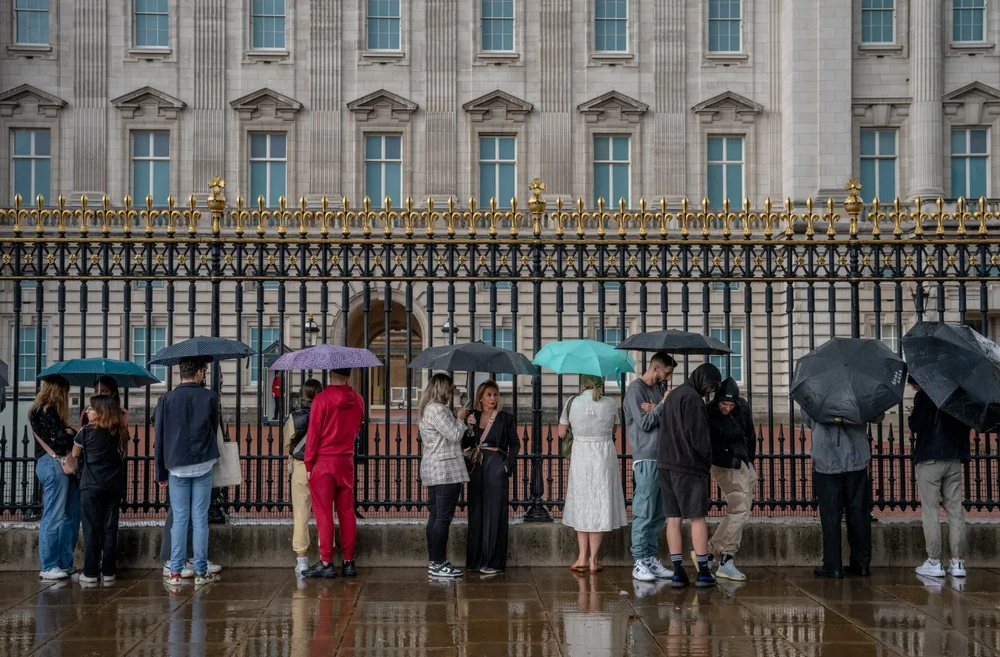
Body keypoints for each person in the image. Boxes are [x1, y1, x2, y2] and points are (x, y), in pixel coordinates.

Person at [155, 357, 221, 586]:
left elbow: (160, 437)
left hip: (176, 464)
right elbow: (213, 429)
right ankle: (201, 571)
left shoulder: (166, 399)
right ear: (199, 373)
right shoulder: (210, 397)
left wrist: (160, 472)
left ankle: (175, 571)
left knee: (180, 519)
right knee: (200, 518)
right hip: (203, 461)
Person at [658, 362, 722, 588]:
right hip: (688, 465)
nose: (710, 391)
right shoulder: (693, 399)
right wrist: (707, 459)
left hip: (665, 462)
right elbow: (699, 437)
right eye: (711, 387)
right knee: (697, 517)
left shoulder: (673, 395)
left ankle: (677, 571)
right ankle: (703, 571)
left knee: (673, 518)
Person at [560, 375, 628, 573]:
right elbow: (613, 430)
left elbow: (562, 433)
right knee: (600, 504)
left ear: (583, 383)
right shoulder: (610, 403)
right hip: (603, 455)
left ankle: (581, 556)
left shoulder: (572, 402)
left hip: (581, 456)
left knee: (582, 504)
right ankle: (593, 559)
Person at [805, 409, 883, 579]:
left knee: (830, 516)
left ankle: (832, 565)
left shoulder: (818, 392)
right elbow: (877, 415)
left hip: (826, 458)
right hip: (856, 458)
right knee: (859, 513)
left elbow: (808, 418)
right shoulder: (859, 393)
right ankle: (861, 564)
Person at [908, 376, 972, 578]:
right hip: (954, 456)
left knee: (931, 511)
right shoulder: (959, 395)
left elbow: (916, 424)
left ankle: (934, 561)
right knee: (955, 510)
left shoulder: (924, 395)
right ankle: (957, 561)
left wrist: (912, 415)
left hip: (930, 458)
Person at [302, 369, 364, 579]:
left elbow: (313, 435)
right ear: (349, 375)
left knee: (324, 513)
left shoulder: (321, 399)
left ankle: (327, 561)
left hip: (323, 461)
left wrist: (308, 464)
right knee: (347, 511)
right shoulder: (358, 400)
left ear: (330, 373)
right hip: (345, 460)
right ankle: (348, 560)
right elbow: (357, 427)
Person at [623, 353, 676, 583]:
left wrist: (658, 407)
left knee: (658, 513)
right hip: (646, 457)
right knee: (644, 510)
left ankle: (650, 558)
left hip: (663, 456)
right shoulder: (636, 390)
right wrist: (662, 405)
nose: (668, 377)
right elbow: (644, 423)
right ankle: (639, 561)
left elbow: (668, 421)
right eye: (667, 372)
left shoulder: (658, 390)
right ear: (656, 368)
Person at [463, 380, 519, 575]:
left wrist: (506, 465)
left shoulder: (506, 418)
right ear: (480, 397)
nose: (492, 398)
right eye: (488, 394)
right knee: (476, 511)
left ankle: (493, 562)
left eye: (495, 394)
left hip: (496, 465)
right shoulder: (473, 416)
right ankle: (475, 560)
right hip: (476, 466)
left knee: (495, 513)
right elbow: (465, 443)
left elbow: (515, 444)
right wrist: (468, 426)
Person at [70, 395, 128, 584]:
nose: (87, 411)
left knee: (91, 528)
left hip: (91, 485)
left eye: (91, 408)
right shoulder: (119, 431)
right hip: (113, 484)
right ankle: (109, 571)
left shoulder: (85, 431)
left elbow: (75, 453)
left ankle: (90, 572)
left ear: (101, 411)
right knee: (110, 528)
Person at [418, 373, 471, 579]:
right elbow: (455, 435)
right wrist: (460, 418)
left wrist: (456, 417)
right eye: (449, 389)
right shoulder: (437, 409)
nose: (451, 393)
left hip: (435, 468)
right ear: (442, 389)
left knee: (435, 516)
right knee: (442, 518)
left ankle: (436, 561)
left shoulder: (429, 408)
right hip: (444, 470)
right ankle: (438, 563)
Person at [29, 375, 81, 580]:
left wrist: (68, 432)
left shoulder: (41, 410)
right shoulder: (47, 410)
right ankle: (49, 565)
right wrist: (70, 433)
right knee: (55, 515)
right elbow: (60, 440)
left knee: (70, 514)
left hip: (54, 464)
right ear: (60, 391)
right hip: (53, 463)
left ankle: (63, 563)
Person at [706, 377, 757, 582]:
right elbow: (709, 445)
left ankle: (711, 554)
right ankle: (724, 559)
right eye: (724, 404)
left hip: (742, 463)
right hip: (724, 464)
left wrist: (748, 460)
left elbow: (750, 434)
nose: (727, 408)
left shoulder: (742, 407)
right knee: (740, 511)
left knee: (739, 512)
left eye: (731, 404)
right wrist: (734, 461)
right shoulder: (709, 412)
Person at [286, 378, 324, 575]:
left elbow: (287, 441)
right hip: (321, 464)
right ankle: (325, 557)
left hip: (301, 465)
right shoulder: (326, 414)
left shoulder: (296, 416)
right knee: (324, 512)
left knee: (301, 512)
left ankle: (301, 560)